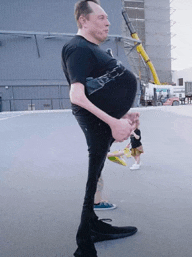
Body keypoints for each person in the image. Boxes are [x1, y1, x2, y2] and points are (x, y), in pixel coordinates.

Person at [61, 1, 139, 256]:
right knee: (94, 172)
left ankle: (90, 225)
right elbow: (77, 95)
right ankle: (85, 239)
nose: (107, 22)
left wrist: (121, 112)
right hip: (96, 122)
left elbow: (95, 90)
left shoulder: (89, 48)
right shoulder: (77, 48)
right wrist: (113, 122)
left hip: (102, 119)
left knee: (95, 173)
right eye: (102, 17)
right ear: (84, 20)